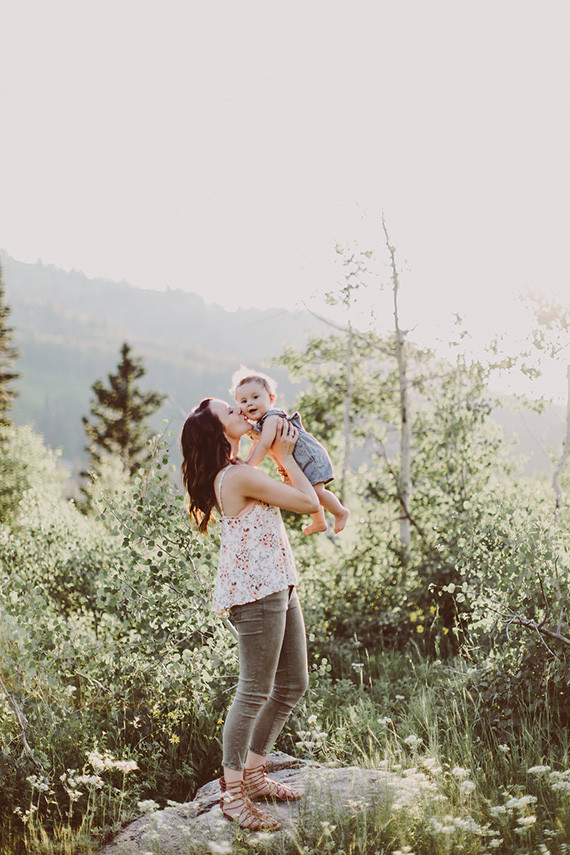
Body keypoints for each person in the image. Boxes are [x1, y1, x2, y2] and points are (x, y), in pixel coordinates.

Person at [180, 397, 320, 832]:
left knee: (293, 682)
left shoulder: (240, 466)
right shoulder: (238, 475)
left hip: (278, 582)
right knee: (255, 689)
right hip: (255, 593)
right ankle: (233, 791)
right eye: (231, 413)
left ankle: (256, 774)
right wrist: (282, 456)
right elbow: (307, 501)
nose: (243, 413)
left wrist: (271, 453)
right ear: (217, 432)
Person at [231, 367, 349, 535]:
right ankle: (319, 522)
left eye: (255, 397)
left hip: (310, 458)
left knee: (316, 492)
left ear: (271, 398)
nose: (249, 403)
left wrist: (249, 466)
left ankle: (340, 511)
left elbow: (263, 446)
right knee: (305, 492)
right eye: (243, 401)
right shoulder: (261, 425)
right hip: (300, 462)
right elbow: (256, 446)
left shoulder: (271, 418)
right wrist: (247, 462)